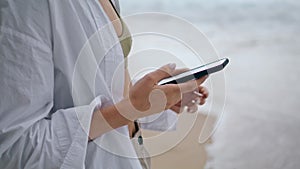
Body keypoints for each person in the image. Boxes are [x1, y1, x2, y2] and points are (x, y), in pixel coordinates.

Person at [0, 0, 209, 168]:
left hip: (133, 151)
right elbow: (17, 149)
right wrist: (130, 110)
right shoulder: (25, 7)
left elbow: (100, 88)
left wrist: (154, 99)